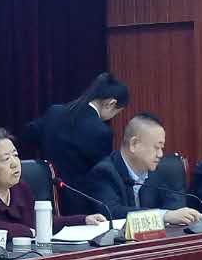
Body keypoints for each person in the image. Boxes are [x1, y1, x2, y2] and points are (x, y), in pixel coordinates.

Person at [0, 128, 107, 240]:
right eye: (6, 159)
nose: (15, 163)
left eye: (15, 155)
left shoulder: (20, 188)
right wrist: (31, 232)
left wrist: (83, 220)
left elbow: (41, 223)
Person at [24, 72, 129, 213]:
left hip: (44, 199)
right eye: (117, 112)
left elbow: (28, 134)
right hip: (81, 206)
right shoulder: (101, 131)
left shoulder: (55, 112)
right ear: (111, 104)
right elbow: (101, 174)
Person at [81, 112, 202, 226]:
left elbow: (176, 211)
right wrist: (163, 216)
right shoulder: (104, 173)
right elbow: (112, 213)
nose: (160, 154)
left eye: (162, 148)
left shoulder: (164, 171)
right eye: (156, 147)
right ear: (134, 144)